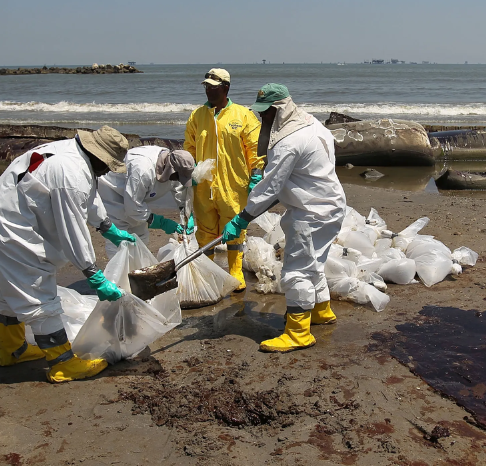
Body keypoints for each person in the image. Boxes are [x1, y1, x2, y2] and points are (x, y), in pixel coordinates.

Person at [0, 126, 136, 383]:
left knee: (8, 292)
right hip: (13, 230)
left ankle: (12, 350)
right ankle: (63, 365)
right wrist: (93, 274)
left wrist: (107, 227)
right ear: (96, 155)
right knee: (39, 295)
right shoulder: (71, 173)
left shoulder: (71, 153)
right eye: (107, 165)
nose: (107, 171)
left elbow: (88, 196)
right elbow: (72, 230)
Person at [221, 84, 346, 352]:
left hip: (310, 213)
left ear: (279, 110)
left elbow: (270, 189)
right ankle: (321, 312)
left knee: (296, 270)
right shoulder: (312, 125)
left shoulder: (288, 142)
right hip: (331, 204)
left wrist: (242, 218)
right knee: (313, 261)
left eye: (265, 113)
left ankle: (299, 333)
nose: (260, 118)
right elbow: (292, 176)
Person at [184, 68, 264, 292]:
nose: (209, 91)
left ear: (226, 88)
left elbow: (255, 149)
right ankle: (208, 272)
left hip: (234, 185)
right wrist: (188, 173)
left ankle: (235, 270)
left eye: (214, 88)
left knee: (235, 229)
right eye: (207, 87)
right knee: (205, 230)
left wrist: (256, 174)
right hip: (204, 186)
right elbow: (189, 148)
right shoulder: (197, 116)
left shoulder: (243, 115)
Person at [96, 146, 196, 258]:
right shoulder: (142, 170)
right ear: (170, 170)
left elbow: (179, 190)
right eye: (178, 177)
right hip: (113, 191)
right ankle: (119, 273)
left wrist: (187, 214)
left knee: (140, 235)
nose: (178, 180)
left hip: (134, 194)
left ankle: (137, 270)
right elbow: (133, 207)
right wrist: (161, 222)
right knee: (119, 241)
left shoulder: (177, 165)